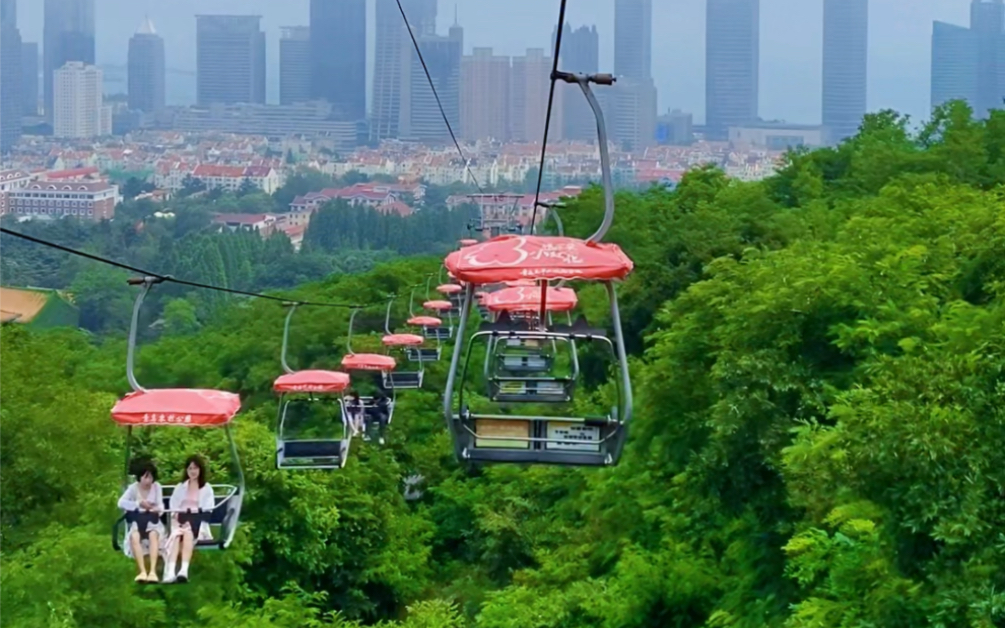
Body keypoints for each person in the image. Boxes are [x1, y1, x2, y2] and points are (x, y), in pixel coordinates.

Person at [162, 455, 215, 584]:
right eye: (190, 468)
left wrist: (191, 518)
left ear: (200, 470)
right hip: (180, 519)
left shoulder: (206, 488)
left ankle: (183, 570)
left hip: (198, 520)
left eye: (195, 468)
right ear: (186, 470)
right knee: (177, 535)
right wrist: (178, 519)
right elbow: (173, 507)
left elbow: (208, 509)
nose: (192, 471)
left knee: (187, 532)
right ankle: (171, 572)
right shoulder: (180, 487)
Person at [117, 459, 164, 583]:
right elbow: (121, 503)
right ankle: (142, 571)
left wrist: (156, 509)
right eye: (145, 477)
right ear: (140, 477)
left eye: (151, 478)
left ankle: (152, 571)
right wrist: (138, 504)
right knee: (134, 536)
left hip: (152, 520)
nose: (148, 481)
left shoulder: (156, 487)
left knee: (153, 535)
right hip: (137, 520)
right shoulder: (133, 488)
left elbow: (161, 506)